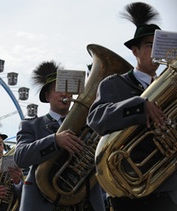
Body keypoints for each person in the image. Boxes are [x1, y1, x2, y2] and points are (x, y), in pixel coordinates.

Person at [87, 2, 177, 211]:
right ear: (134, 51)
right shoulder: (114, 84)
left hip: (167, 188)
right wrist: (139, 106)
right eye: (149, 46)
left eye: (159, 46)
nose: (155, 51)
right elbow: (96, 119)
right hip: (129, 189)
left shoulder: (171, 87)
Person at [14, 61, 105, 210]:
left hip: (84, 203)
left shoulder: (88, 124)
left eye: (68, 89)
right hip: (45, 204)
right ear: (47, 95)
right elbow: (20, 158)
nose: (65, 94)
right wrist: (55, 141)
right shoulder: (31, 125)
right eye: (58, 89)